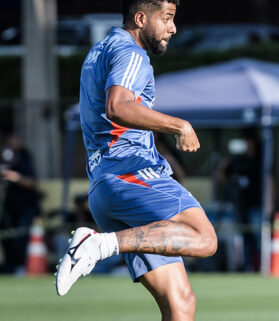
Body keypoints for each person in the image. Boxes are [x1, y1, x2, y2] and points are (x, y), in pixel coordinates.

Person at [55, 2, 218, 320]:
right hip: (131, 175)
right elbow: (119, 106)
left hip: (106, 186)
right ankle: (96, 244)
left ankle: (103, 243)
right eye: (167, 18)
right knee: (205, 238)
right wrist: (179, 125)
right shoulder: (132, 53)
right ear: (141, 19)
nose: (173, 28)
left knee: (180, 304)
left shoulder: (99, 50)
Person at [216, 129, 262, 271]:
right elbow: (221, 179)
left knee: (258, 237)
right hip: (241, 205)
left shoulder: (261, 159)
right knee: (245, 238)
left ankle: (262, 266)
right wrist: (224, 162)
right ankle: (248, 267)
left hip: (257, 204)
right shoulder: (236, 161)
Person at [0, 132, 41, 274]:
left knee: (22, 238)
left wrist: (15, 177)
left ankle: (23, 266)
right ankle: (12, 265)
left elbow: (32, 183)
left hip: (26, 207)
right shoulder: (7, 158)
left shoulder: (24, 158)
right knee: (8, 238)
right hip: (10, 208)